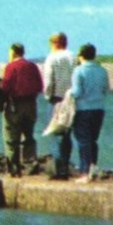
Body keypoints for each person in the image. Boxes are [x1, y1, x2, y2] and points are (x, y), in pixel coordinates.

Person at [0, 42, 45, 176]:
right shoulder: (32, 66)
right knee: (28, 136)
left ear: (13, 52)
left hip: (15, 105)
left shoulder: (11, 67)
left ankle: (14, 168)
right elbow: (40, 86)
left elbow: (5, 87)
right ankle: (30, 164)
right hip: (31, 105)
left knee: (11, 137)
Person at [69, 43, 110, 181]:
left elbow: (77, 91)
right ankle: (93, 168)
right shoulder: (102, 70)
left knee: (83, 141)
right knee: (93, 140)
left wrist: (67, 94)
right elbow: (105, 89)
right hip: (99, 109)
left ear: (81, 56)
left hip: (83, 109)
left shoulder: (79, 70)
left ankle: (85, 173)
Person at [41, 32, 77, 180]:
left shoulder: (52, 57)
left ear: (54, 43)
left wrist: (47, 96)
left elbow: (48, 80)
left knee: (56, 133)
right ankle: (66, 166)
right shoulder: (73, 57)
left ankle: (59, 170)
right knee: (67, 134)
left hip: (57, 98)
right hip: (73, 98)